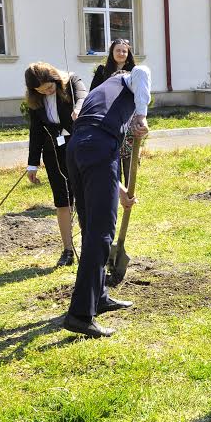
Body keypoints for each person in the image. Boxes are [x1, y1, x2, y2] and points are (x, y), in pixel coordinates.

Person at [62, 66, 151, 338]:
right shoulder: (129, 79)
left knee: (91, 230)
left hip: (78, 149)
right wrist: (142, 115)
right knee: (100, 235)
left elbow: (92, 141)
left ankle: (98, 296)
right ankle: (79, 314)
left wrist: (121, 190)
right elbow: (142, 72)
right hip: (98, 147)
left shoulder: (99, 95)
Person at [24, 62, 87, 267]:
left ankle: (89, 246)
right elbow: (36, 131)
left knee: (85, 198)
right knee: (62, 201)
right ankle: (67, 250)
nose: (47, 91)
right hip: (53, 154)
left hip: (78, 147)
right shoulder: (36, 101)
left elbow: (83, 95)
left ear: (54, 78)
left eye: (49, 86)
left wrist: (77, 109)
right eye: (41, 90)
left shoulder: (71, 81)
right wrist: (32, 164)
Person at [90, 39, 138, 183]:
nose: (121, 53)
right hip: (108, 118)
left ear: (128, 53)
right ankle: (115, 190)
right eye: (118, 50)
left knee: (129, 155)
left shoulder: (135, 72)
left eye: (124, 51)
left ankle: (130, 191)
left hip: (128, 117)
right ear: (112, 52)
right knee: (112, 154)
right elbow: (94, 93)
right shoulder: (102, 71)